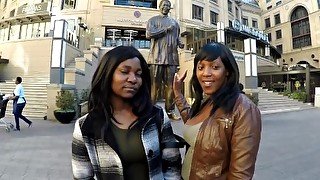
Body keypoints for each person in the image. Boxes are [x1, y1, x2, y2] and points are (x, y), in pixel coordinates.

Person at [71, 46, 182, 179]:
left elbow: (172, 169)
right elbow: (82, 177)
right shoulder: (85, 126)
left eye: (138, 74)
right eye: (125, 71)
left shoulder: (156, 116)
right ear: (107, 74)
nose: (133, 79)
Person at [173, 42, 261, 179]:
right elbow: (195, 125)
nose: (206, 73)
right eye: (201, 67)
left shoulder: (244, 108)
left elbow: (240, 175)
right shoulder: (208, 101)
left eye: (214, 67)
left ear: (227, 71)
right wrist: (177, 93)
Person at [146, 0, 184, 120]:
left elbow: (177, 38)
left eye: (168, 5)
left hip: (171, 58)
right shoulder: (153, 20)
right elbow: (149, 34)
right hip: (156, 58)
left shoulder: (175, 23)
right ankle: (150, 111)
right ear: (160, 6)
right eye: (164, 5)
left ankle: (170, 111)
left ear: (170, 8)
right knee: (154, 86)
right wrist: (165, 30)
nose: (165, 7)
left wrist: (180, 43)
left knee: (170, 87)